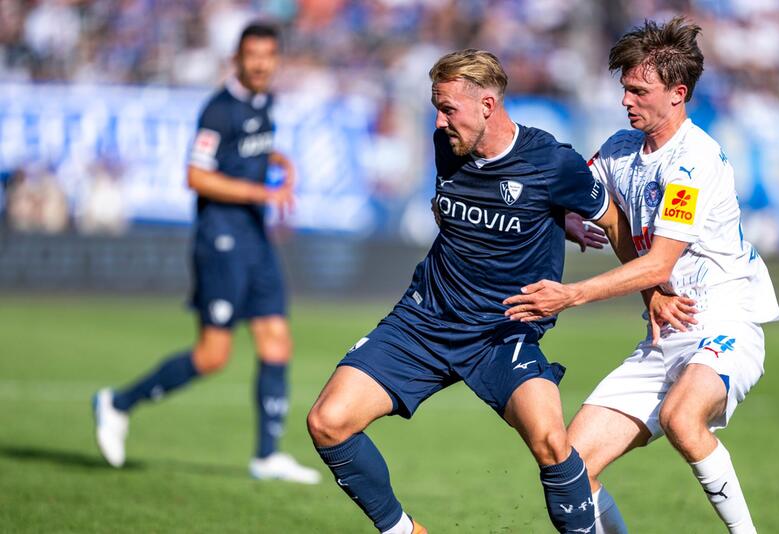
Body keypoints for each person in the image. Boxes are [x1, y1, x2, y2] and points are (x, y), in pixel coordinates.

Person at [305, 49, 633, 534]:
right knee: (328, 422)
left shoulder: (552, 161)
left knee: (551, 443)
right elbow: (468, 211)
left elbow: (619, 228)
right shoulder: (448, 144)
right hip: (424, 320)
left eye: (448, 108)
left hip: (504, 330)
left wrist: (656, 289)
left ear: (487, 104)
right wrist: (559, 223)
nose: (439, 120)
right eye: (436, 106)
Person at [504, 17, 779, 533]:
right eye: (624, 88)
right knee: (571, 470)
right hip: (664, 333)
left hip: (723, 322)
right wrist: (568, 218)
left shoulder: (693, 163)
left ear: (678, 94)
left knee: (683, 418)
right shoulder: (618, 150)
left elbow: (659, 262)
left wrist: (570, 295)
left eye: (638, 90)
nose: (626, 100)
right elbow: (582, 198)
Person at [92, 22, 319, 485]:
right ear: (237, 58)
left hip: (255, 237)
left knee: (277, 340)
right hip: (221, 238)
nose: (259, 63)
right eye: (251, 54)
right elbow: (196, 177)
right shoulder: (218, 110)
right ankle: (118, 403)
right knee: (214, 355)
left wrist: (280, 161)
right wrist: (261, 193)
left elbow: (252, 149)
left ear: (276, 60)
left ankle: (267, 455)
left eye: (267, 55)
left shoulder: (265, 102)